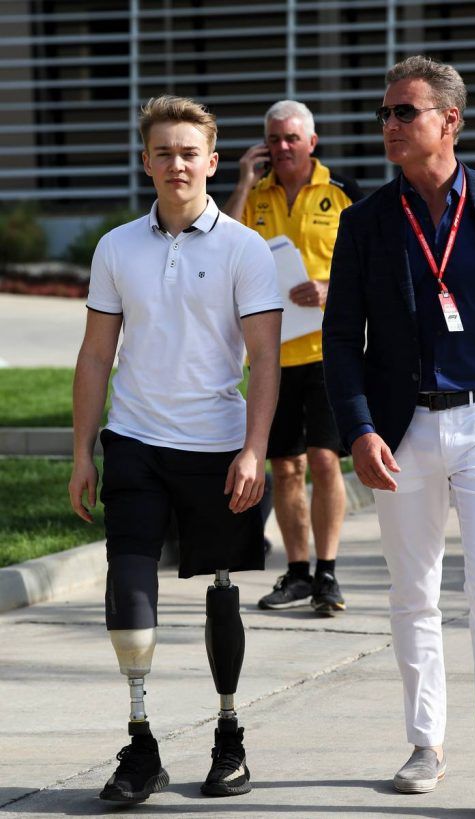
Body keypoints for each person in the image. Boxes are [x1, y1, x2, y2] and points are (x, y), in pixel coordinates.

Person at [323, 55, 475, 807]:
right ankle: (425, 743)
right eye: (385, 113)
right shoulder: (364, 223)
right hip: (402, 427)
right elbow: (337, 339)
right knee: (411, 593)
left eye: (403, 112)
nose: (388, 125)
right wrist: (356, 428)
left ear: (448, 120)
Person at [68, 95, 282, 804]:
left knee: (221, 590)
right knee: (127, 584)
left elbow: (264, 359)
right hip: (133, 442)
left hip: (218, 449)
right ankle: (141, 744)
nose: (176, 163)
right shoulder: (117, 246)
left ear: (213, 162)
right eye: (163, 151)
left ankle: (228, 737)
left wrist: (254, 449)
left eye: (189, 152)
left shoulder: (244, 250)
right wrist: (81, 453)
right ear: (145, 161)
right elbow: (97, 356)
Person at [224, 100, 361, 615]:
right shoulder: (253, 196)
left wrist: (331, 287)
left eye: (291, 138)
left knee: (324, 461)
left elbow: (372, 267)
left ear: (311, 142)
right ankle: (298, 572)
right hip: (272, 357)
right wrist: (241, 181)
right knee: (283, 468)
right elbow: (220, 244)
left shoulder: (341, 193)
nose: (282, 147)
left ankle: (327, 573)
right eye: (274, 139)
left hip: (328, 353)